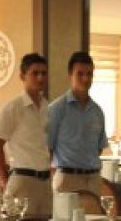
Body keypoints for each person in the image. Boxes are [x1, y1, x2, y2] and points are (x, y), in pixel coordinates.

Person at [0, 52, 52, 217]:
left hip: (45, 181)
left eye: (44, 73)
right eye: (35, 73)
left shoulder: (47, 107)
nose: (40, 77)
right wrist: (6, 181)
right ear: (23, 76)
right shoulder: (13, 108)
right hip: (23, 180)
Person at [46, 51, 108, 198]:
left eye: (89, 74)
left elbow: (98, 148)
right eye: (80, 74)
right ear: (70, 75)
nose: (85, 78)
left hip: (93, 179)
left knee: (95, 214)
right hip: (67, 179)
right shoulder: (56, 109)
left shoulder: (97, 111)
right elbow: (47, 148)